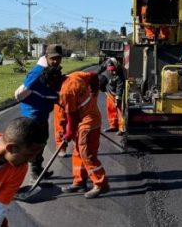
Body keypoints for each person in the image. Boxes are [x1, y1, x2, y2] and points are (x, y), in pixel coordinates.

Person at [13, 45, 63, 180]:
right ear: (46, 57)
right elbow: (20, 93)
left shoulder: (52, 70)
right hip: (32, 114)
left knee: (42, 140)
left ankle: (38, 169)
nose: (56, 61)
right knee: (33, 143)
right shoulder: (38, 72)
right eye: (53, 59)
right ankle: (31, 173)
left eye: (58, 58)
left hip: (43, 112)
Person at [58, 71, 110, 199]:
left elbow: (72, 118)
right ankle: (79, 181)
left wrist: (68, 135)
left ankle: (100, 183)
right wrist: (94, 93)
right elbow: (93, 75)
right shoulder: (74, 76)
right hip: (87, 118)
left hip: (88, 122)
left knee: (87, 153)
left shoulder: (66, 92)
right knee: (78, 151)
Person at [97, 58, 126, 133]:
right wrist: (97, 75)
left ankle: (121, 128)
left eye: (113, 70)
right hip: (110, 91)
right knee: (110, 108)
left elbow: (120, 87)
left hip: (116, 92)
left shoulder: (120, 73)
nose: (111, 71)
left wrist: (118, 98)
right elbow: (99, 71)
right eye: (110, 69)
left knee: (119, 110)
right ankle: (113, 126)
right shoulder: (106, 64)